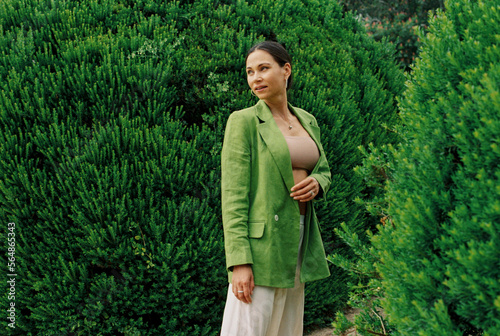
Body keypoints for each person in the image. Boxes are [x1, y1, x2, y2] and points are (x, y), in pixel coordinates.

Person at [220, 40, 332, 336]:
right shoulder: (243, 122)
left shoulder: (307, 120)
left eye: (263, 68)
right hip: (261, 247)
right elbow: (233, 197)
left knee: (287, 330)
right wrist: (239, 262)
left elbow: (324, 169)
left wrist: (318, 183)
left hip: (299, 235)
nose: (255, 78)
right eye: (249, 72)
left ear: (286, 70)